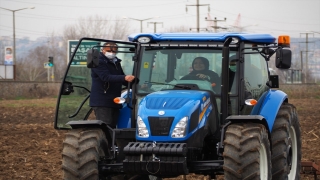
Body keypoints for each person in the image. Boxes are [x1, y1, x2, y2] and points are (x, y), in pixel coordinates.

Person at [90, 42, 135, 128]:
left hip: (114, 100)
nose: (111, 53)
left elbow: (121, 78)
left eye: (114, 51)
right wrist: (124, 77)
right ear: (102, 50)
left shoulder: (116, 62)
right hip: (102, 101)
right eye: (109, 50)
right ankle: (105, 141)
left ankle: (113, 141)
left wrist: (135, 84)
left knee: (113, 127)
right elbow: (105, 77)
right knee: (106, 127)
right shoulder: (98, 62)